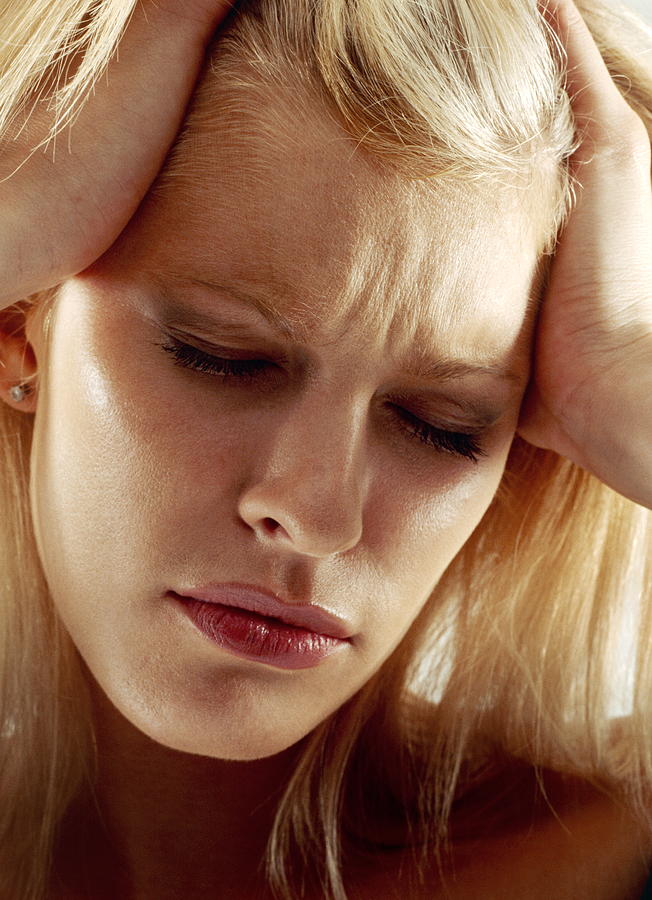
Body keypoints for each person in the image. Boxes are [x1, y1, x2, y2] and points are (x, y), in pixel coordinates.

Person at [0, 0, 650, 896]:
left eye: (440, 422)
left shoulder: (621, 855)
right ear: (16, 324)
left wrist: (628, 382)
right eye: (225, 359)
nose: (314, 515)